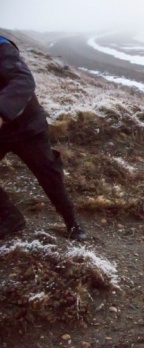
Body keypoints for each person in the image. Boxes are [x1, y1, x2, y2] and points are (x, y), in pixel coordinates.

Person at [0, 35, 87, 241]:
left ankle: (71, 222)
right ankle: (11, 217)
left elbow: (23, 79)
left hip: (28, 129)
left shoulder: (3, 48)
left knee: (49, 174)